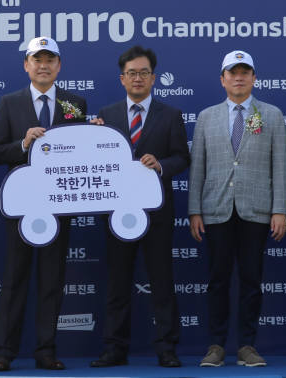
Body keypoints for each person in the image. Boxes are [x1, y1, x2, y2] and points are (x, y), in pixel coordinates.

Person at [0, 36, 87, 371]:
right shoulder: (10, 102)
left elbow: (82, 154)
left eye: (50, 60)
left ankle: (45, 350)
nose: (43, 65)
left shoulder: (76, 104)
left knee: (51, 280)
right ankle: (4, 351)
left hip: (59, 206)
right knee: (15, 279)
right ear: (26, 65)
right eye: (37, 59)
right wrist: (23, 143)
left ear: (59, 66)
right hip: (22, 206)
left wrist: (96, 134)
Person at [89, 45, 190, 368]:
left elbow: (182, 158)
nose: (137, 78)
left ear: (153, 78)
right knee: (118, 282)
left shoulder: (171, 115)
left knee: (162, 280)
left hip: (157, 213)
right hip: (117, 212)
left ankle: (167, 348)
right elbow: (95, 163)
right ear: (122, 79)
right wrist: (92, 140)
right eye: (131, 73)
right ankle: (114, 348)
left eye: (143, 73)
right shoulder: (107, 115)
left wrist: (160, 164)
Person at [188, 51, 286, 367]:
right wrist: (194, 210)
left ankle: (247, 345)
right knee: (217, 280)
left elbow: (280, 166)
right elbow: (198, 167)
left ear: (254, 78)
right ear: (223, 79)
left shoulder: (271, 114)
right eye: (233, 72)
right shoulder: (206, 117)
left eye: (245, 72)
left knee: (251, 279)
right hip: (216, 209)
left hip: (256, 210)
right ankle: (215, 346)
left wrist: (279, 209)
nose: (239, 77)